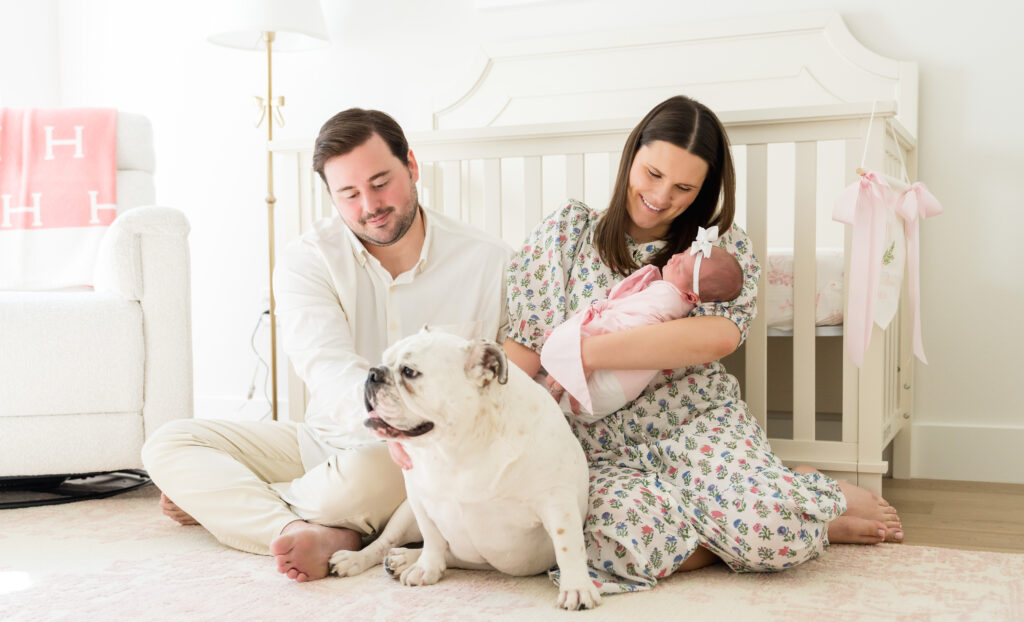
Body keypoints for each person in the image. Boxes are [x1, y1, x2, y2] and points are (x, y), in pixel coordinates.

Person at [502, 95, 903, 595]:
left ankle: (797, 498)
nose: (661, 196)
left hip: (694, 423)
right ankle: (765, 511)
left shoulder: (714, 250)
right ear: (631, 158)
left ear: (704, 189)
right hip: (594, 446)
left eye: (684, 187)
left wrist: (584, 353)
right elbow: (523, 346)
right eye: (651, 174)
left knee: (772, 536)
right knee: (591, 545)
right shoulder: (566, 231)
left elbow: (712, 338)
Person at [142, 108, 512, 582]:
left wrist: (401, 435)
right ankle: (312, 529)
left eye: (381, 183)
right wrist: (384, 425)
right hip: (320, 439)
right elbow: (327, 368)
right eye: (349, 194)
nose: (369, 205)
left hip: (424, 454)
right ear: (332, 196)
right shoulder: (306, 259)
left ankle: (250, 502)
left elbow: (508, 386)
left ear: (412, 167)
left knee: (366, 478)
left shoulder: (490, 261)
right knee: (168, 444)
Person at [541, 235, 742, 423]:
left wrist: (586, 332)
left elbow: (625, 325)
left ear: (691, 297)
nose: (673, 257)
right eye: (681, 253)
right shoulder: (672, 301)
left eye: (680, 266)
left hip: (610, 379)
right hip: (620, 388)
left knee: (547, 391)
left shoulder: (666, 298)